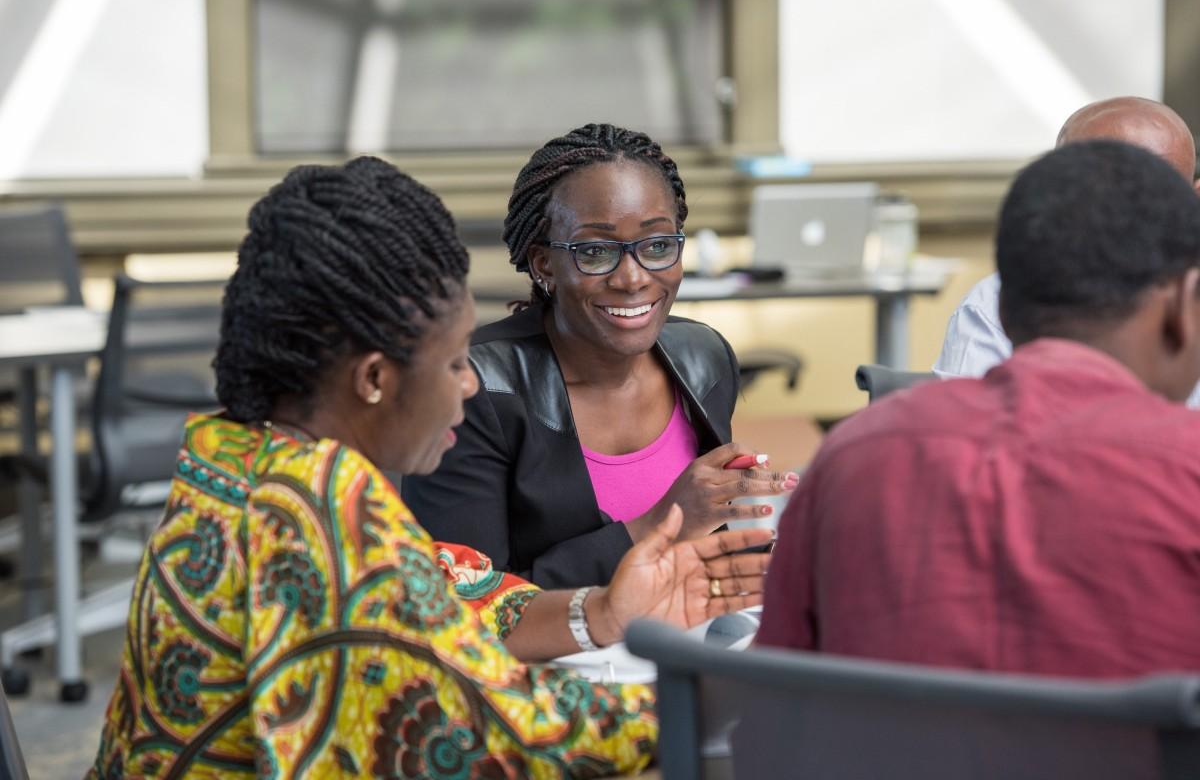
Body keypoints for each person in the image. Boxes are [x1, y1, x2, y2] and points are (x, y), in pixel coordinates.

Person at [89, 157, 772, 778]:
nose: (470, 386)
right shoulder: (320, 512)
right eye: (452, 365)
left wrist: (600, 610)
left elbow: (450, 596)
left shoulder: (234, 455)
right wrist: (714, 693)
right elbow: (493, 741)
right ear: (376, 378)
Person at [758, 141, 1200, 677]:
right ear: (1185, 304)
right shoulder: (1186, 469)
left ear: (1004, 309)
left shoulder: (850, 457)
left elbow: (772, 702)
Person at [404, 123, 798, 588]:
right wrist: (661, 523)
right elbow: (465, 603)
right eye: (595, 251)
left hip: (689, 640)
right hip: (548, 659)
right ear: (544, 263)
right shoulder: (473, 389)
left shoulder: (703, 358)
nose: (632, 278)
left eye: (656, 246)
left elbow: (708, 539)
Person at [935, 96, 1200, 410]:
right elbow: (965, 433)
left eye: (1153, 196)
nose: (1125, 215)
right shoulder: (994, 302)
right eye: (1098, 190)